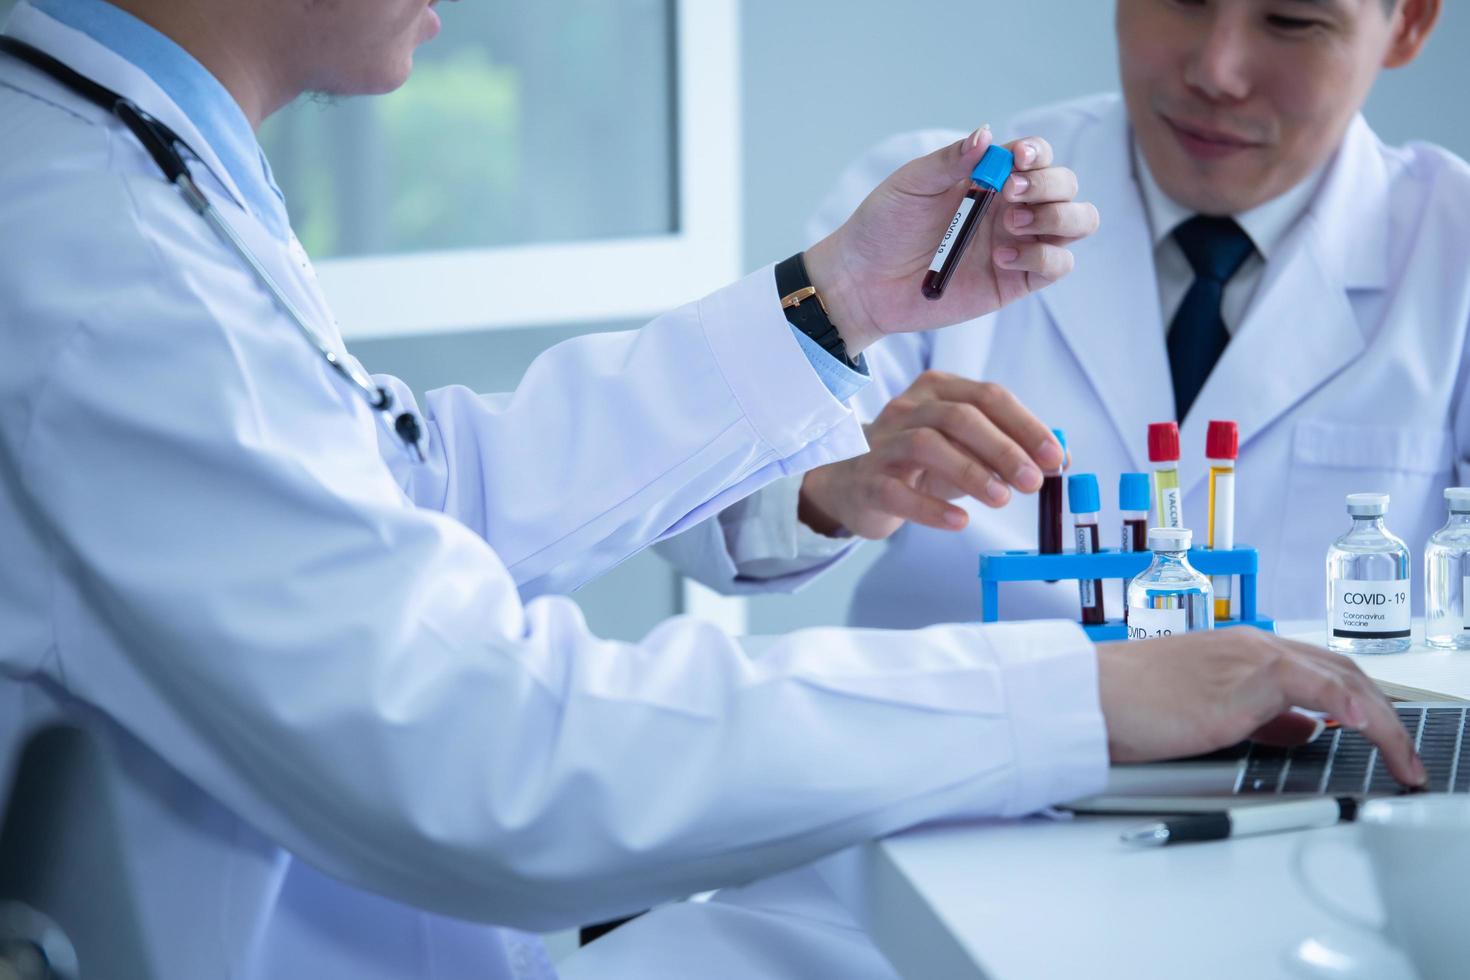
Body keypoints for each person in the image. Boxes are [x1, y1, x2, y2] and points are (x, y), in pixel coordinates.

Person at [0, 2, 1421, 980]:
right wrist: (1083, 695)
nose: (1217, 64)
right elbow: (489, 752)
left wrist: (833, 303)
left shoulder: (143, 187)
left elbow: (429, 486)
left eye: (1292, 17)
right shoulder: (92, 257)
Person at [665, 0, 1464, 632]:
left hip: (1327, 809)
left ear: (1411, 21)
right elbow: (708, 517)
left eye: (1292, 19)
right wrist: (833, 488)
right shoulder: (942, 210)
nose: (1217, 71)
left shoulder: (1452, 252)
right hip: (966, 801)